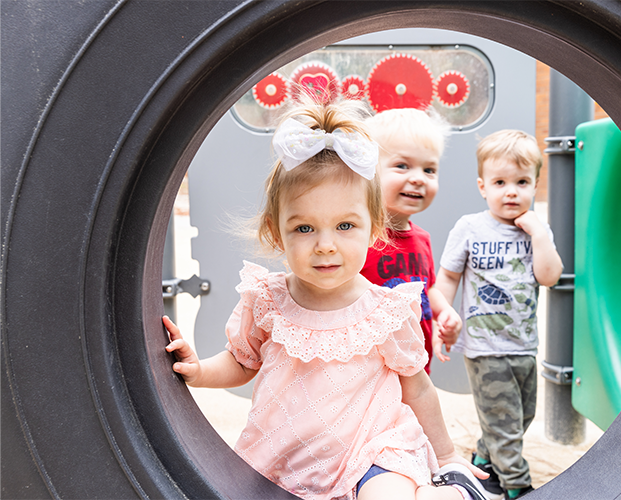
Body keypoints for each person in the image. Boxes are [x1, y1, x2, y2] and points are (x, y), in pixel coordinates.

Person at [163, 100, 489, 500]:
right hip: (286, 455)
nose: (325, 245)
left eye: (345, 225)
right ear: (276, 231)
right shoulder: (267, 298)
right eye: (304, 227)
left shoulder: (384, 310)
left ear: (373, 229)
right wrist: (199, 371)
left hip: (374, 449)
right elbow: (241, 360)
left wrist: (449, 457)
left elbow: (417, 389)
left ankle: (453, 493)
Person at [435, 129, 563, 500]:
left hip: (523, 343)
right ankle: (517, 487)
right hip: (484, 345)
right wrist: (440, 321)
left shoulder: (537, 230)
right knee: (505, 425)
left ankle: (484, 460)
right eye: (500, 182)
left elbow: (549, 277)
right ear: (482, 186)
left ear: (535, 184)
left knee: (519, 417)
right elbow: (447, 276)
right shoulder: (470, 228)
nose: (511, 191)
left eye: (522, 182)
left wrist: (539, 233)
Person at [360, 108, 462, 374]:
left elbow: (428, 288)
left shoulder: (422, 239)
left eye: (429, 169)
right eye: (402, 165)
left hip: (416, 364)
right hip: (371, 368)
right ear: (368, 171)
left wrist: (444, 312)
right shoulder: (358, 238)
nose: (418, 178)